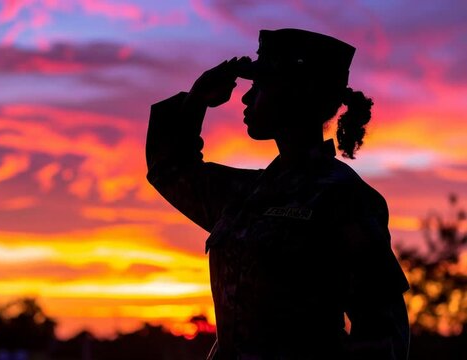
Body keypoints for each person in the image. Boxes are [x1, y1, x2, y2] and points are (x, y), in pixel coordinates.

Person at [145, 28, 410, 360]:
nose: (245, 97)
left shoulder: (345, 198)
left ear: (298, 91)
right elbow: (169, 168)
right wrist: (196, 100)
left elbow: (383, 332)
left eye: (259, 85)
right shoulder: (248, 193)